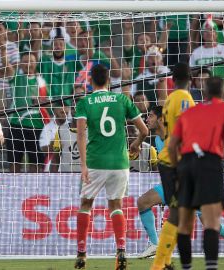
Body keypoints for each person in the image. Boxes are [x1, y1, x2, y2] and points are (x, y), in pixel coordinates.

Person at [136, 107, 224, 260]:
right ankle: (154, 244)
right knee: (143, 202)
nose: (146, 119)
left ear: (160, 119)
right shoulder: (158, 140)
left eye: (150, 116)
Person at [74, 64, 148, 269]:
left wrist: (83, 165)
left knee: (86, 204)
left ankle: (81, 254)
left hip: (96, 161)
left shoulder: (85, 102)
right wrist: (135, 144)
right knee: (116, 206)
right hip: (120, 162)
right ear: (109, 81)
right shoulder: (123, 99)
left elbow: (80, 134)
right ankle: (121, 251)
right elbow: (144, 130)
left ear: (89, 81)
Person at [168, 77, 224, 270]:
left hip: (186, 163)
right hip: (209, 163)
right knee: (211, 222)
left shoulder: (189, 112)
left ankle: (186, 267)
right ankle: (211, 267)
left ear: (205, 92)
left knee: (184, 224)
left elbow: (172, 146)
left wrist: (178, 171)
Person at [150, 62, 195, 270]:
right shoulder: (184, 99)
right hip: (176, 161)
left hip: (168, 159)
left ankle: (165, 261)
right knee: (180, 212)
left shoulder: (169, 99)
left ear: (174, 79)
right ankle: (160, 264)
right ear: (191, 78)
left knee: (181, 212)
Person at [7, 52, 50, 173]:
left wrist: (42, 101)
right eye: (25, 61)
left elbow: (50, 102)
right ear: (20, 64)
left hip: (37, 126)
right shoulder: (16, 77)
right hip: (16, 125)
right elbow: (7, 66)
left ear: (36, 63)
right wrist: (3, 51)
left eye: (31, 61)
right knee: (14, 162)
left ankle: (34, 190)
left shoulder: (42, 81)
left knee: (36, 162)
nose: (28, 64)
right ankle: (13, 189)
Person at [189, 20, 224, 102]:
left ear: (216, 33)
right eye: (206, 31)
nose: (209, 33)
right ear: (202, 34)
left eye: (212, 30)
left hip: (222, 92)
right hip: (201, 94)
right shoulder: (196, 52)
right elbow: (192, 74)